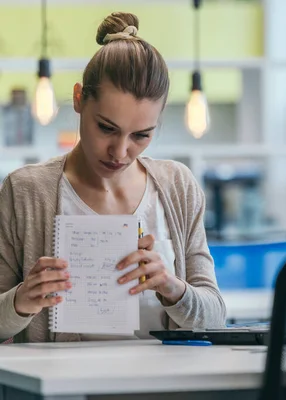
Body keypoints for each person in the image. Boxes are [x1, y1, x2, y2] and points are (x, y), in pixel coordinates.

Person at [0, 12, 226, 343]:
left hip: (169, 389)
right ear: (79, 99)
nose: (120, 152)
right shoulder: (25, 191)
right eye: (107, 128)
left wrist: (171, 286)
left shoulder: (178, 186)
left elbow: (215, 318)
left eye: (141, 135)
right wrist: (21, 301)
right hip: (66, 391)